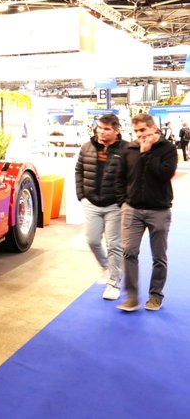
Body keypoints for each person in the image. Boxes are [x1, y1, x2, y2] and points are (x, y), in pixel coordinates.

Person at [116, 112, 178, 313]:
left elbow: (165, 174)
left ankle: (155, 295)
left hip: (159, 210)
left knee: (159, 256)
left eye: (143, 130)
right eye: (136, 131)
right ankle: (132, 297)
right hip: (132, 210)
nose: (139, 135)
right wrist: (123, 202)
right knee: (129, 252)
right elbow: (120, 178)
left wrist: (146, 153)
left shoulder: (167, 149)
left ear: (153, 128)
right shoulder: (129, 149)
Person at [74, 113, 128, 300]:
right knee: (92, 240)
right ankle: (105, 267)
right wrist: (81, 195)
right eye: (100, 127)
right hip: (91, 203)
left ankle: (114, 283)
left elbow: (132, 176)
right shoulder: (87, 147)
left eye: (106, 129)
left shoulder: (127, 149)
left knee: (114, 244)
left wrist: (125, 201)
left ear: (116, 130)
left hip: (115, 205)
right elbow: (79, 170)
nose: (101, 131)